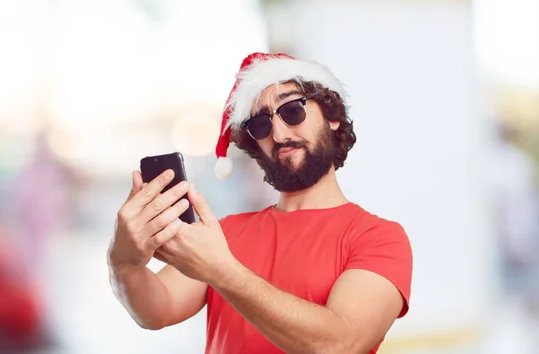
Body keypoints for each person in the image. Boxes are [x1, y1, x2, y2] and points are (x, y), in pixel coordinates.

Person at [107, 52, 413, 354]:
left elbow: (339, 345)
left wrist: (224, 272)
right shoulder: (224, 236)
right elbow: (155, 310)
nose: (278, 134)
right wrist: (123, 262)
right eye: (262, 124)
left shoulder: (379, 239)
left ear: (332, 117)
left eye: (293, 111)